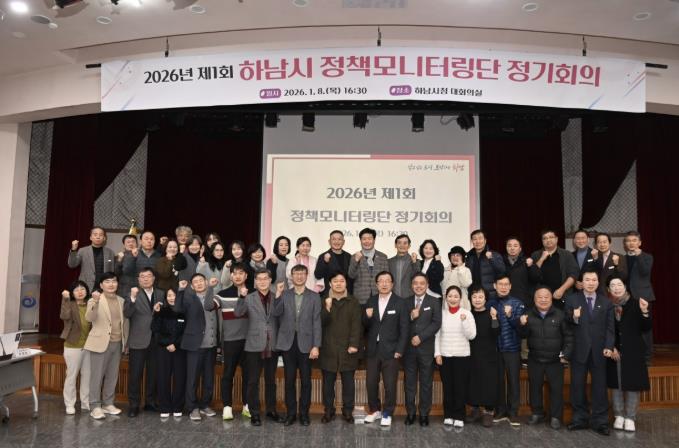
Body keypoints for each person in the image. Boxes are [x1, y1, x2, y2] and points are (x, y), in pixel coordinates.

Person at [565, 270, 615, 436]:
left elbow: (610, 328)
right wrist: (574, 317)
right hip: (578, 350)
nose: (591, 283)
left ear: (598, 282)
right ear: (581, 282)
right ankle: (579, 419)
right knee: (577, 386)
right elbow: (566, 324)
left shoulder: (606, 302)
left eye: (594, 280)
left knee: (600, 387)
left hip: (600, 351)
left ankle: (600, 421)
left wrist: (609, 346)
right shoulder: (572, 299)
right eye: (587, 280)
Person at [517, 286, 573, 430]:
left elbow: (569, 336)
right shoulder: (528, 314)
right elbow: (522, 335)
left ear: (551, 299)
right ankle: (537, 413)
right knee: (535, 387)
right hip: (535, 358)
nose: (543, 300)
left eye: (546, 297)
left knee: (556, 389)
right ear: (534, 299)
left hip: (555, 360)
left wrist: (566, 355)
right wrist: (522, 324)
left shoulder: (560, 315)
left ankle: (556, 417)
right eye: (539, 297)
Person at [273, 264, 322, 426]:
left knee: (306, 381)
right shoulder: (284, 294)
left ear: (307, 276)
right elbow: (276, 313)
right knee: (289, 381)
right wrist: (278, 294)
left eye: (302, 274)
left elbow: (316, 322)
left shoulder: (314, 297)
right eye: (296, 273)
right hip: (288, 343)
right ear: (291, 276)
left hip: (306, 344)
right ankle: (291, 414)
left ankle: (304, 414)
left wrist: (316, 345)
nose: (299, 276)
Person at [234, 269, 284, 426]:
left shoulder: (277, 296)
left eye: (265, 278)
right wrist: (241, 297)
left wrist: (279, 296)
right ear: (255, 282)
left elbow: (280, 314)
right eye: (259, 279)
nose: (262, 281)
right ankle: (254, 413)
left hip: (272, 344)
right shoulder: (249, 297)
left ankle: (271, 410)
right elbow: (238, 313)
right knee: (253, 381)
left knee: (271, 381)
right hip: (254, 344)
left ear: (270, 280)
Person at [205, 262, 251, 420]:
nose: (237, 276)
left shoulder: (253, 293)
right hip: (230, 341)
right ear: (230, 276)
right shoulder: (223, 293)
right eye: (234, 273)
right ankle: (227, 407)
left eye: (241, 273)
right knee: (227, 375)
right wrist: (210, 288)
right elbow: (208, 306)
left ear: (246, 275)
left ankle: (247, 406)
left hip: (249, 341)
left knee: (248, 375)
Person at [606, 276, 651, 433]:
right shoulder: (607, 305)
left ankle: (630, 417)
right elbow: (605, 329)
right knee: (616, 384)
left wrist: (644, 311)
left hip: (633, 351)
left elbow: (646, 327)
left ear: (625, 286)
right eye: (613, 285)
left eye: (619, 284)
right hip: (615, 351)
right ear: (608, 289)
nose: (616, 288)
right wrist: (611, 346)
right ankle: (619, 415)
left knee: (632, 384)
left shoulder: (636, 303)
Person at [363, 271, 408, 426]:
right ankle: (374, 410)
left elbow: (404, 329)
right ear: (376, 284)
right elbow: (365, 326)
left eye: (387, 281)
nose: (384, 284)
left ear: (392, 284)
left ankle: (387, 412)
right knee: (371, 383)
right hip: (373, 350)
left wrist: (400, 349)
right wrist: (367, 317)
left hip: (391, 350)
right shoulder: (371, 300)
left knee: (390, 384)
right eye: (381, 281)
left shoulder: (400, 302)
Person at [173, 274, 218, 421]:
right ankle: (192, 407)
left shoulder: (214, 297)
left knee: (209, 378)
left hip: (211, 344)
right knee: (192, 378)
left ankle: (205, 404)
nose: (198, 284)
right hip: (195, 345)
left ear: (206, 282)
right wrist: (180, 290)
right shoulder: (188, 298)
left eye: (201, 281)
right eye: (195, 282)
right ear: (192, 286)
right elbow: (177, 309)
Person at [319, 272, 362, 424]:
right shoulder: (323, 300)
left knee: (348, 383)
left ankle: (348, 411)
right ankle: (328, 410)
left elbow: (357, 325)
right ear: (330, 283)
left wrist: (354, 344)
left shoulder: (353, 301)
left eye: (341, 281)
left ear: (346, 283)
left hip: (348, 349)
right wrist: (327, 308)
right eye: (335, 281)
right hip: (328, 348)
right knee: (328, 384)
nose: (338, 284)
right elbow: (319, 323)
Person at [84, 273, 127, 420]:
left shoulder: (121, 300)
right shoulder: (94, 300)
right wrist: (95, 302)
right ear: (101, 285)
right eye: (107, 281)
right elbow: (89, 318)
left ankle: (108, 403)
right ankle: (94, 406)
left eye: (114, 281)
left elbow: (124, 323)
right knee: (97, 376)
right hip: (100, 343)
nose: (111, 284)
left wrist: (125, 342)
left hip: (117, 343)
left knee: (112, 375)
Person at [123, 267, 165, 417]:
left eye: (148, 276)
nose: (146, 279)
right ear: (138, 279)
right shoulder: (132, 294)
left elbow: (165, 314)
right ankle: (134, 405)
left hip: (156, 340)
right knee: (135, 375)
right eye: (142, 276)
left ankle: (150, 402)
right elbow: (127, 313)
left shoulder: (161, 293)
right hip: (138, 340)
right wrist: (133, 298)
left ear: (154, 278)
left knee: (153, 374)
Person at [402, 273, 442, 426]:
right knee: (409, 383)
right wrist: (411, 317)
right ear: (411, 285)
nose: (418, 286)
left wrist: (421, 337)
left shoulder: (434, 301)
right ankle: (411, 413)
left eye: (422, 283)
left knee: (426, 383)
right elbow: (401, 324)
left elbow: (436, 323)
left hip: (426, 349)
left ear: (427, 285)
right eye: (415, 283)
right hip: (409, 350)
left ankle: (424, 414)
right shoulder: (405, 302)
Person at [435, 285, 476, 427]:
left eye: (456, 296)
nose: (453, 299)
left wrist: (464, 321)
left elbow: (472, 335)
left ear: (460, 298)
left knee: (460, 387)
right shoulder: (441, 314)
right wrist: (437, 353)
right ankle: (448, 415)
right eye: (450, 296)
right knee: (448, 387)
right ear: (446, 298)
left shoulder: (467, 313)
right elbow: (437, 336)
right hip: (445, 356)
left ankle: (459, 416)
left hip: (462, 356)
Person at [489, 274, 524, 426]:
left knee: (513, 381)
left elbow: (521, 328)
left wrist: (510, 315)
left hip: (512, 348)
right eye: (500, 284)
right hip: (495, 349)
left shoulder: (517, 303)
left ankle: (513, 412)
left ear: (510, 286)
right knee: (497, 381)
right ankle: (500, 410)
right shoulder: (490, 302)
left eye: (506, 284)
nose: (503, 287)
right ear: (495, 286)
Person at [467, 286, 499, 428]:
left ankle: (488, 412)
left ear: (486, 299)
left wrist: (494, 318)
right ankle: (475, 411)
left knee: (488, 383)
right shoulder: (468, 314)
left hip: (489, 355)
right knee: (472, 382)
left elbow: (496, 333)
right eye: (474, 297)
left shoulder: (491, 313)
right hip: (472, 354)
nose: (477, 300)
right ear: (470, 299)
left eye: (480, 297)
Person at [151, 287, 186, 419]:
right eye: (169, 295)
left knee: (180, 378)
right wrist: (156, 314)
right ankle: (164, 407)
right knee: (163, 378)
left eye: (174, 295)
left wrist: (175, 344)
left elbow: (186, 332)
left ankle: (178, 406)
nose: (172, 298)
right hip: (163, 349)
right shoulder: (161, 311)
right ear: (166, 298)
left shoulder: (184, 311)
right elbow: (155, 329)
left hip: (180, 349)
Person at [60, 280, 92, 415]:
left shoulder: (90, 303)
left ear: (87, 291)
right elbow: (64, 316)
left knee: (87, 376)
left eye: (82, 289)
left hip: (89, 346)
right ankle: (69, 404)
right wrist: (65, 299)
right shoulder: (69, 304)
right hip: (73, 345)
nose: (80, 292)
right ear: (72, 293)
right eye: (76, 289)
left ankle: (85, 402)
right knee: (71, 376)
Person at [624, 230, 655, 363]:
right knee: (628, 327)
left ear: (640, 243)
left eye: (634, 240)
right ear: (625, 243)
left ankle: (647, 356)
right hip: (626, 297)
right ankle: (632, 354)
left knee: (645, 328)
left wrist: (639, 255)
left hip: (643, 297)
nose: (631, 243)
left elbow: (644, 272)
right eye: (628, 241)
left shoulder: (647, 257)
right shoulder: (622, 258)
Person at [531, 229, 579, 309]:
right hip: (542, 299)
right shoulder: (535, 255)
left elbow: (573, 274)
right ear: (542, 241)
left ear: (556, 239)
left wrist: (562, 290)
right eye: (545, 238)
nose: (548, 240)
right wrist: (541, 259)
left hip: (562, 296)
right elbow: (532, 275)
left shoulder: (567, 254)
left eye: (551, 237)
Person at [348, 228, 389, 305]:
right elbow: (351, 275)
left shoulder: (383, 257)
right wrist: (356, 261)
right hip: (360, 298)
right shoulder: (354, 257)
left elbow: (387, 278)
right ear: (360, 241)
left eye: (369, 239)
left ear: (374, 240)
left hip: (379, 296)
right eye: (364, 239)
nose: (367, 241)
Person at [68, 226, 116, 291]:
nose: (98, 237)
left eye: (101, 235)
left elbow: (112, 271)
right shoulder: (83, 251)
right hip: (86, 286)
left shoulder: (110, 252)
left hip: (104, 288)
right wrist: (73, 250)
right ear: (90, 237)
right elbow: (72, 264)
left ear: (104, 238)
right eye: (95, 234)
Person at [465, 229, 505, 298]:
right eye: (475, 239)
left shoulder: (494, 255)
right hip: (473, 295)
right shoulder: (468, 257)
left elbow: (502, 272)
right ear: (471, 241)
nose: (477, 241)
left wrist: (491, 259)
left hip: (490, 294)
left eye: (480, 238)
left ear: (485, 240)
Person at [503, 237, 540, 307]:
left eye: (515, 246)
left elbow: (537, 278)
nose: (512, 248)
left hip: (524, 301)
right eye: (509, 246)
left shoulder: (527, 261)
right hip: (505, 301)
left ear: (520, 249)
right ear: (506, 248)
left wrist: (531, 266)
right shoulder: (501, 262)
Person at [315, 230, 353, 297]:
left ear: (343, 242)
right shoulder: (323, 256)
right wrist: (325, 262)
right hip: (329, 295)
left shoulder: (349, 256)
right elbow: (318, 275)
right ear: (329, 241)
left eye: (339, 239)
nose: (337, 242)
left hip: (346, 296)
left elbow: (352, 277)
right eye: (334, 239)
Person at [441, 246, 473, 310]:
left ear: (462, 257)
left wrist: (460, 267)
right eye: (453, 255)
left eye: (458, 255)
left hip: (461, 305)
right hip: (446, 305)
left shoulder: (466, 270)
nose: (455, 257)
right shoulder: (444, 270)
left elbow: (466, 283)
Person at [387, 234, 419, 299]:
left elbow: (417, 278)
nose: (402, 245)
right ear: (395, 245)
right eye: (399, 243)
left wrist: (414, 262)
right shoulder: (389, 262)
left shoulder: (415, 261)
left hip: (409, 298)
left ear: (409, 246)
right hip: (392, 299)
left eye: (405, 243)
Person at [115, 234, 138, 298]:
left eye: (133, 241)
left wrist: (135, 257)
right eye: (128, 242)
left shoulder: (141, 255)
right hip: (123, 289)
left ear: (136, 244)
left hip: (139, 287)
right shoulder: (119, 256)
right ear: (124, 245)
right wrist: (119, 261)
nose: (131, 244)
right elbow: (116, 274)